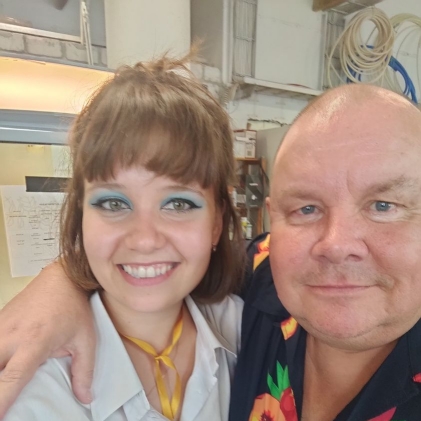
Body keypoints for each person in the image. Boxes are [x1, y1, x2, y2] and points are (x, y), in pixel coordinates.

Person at [2, 83, 421, 421]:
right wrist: (60, 282)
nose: (337, 245)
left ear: (217, 222)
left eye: (384, 206)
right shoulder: (261, 281)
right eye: (306, 209)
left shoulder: (233, 319)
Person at [0, 54, 245, 420]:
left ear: (216, 222)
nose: (144, 240)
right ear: (81, 216)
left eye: (178, 203)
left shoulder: (250, 328)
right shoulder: (34, 387)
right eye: (114, 202)